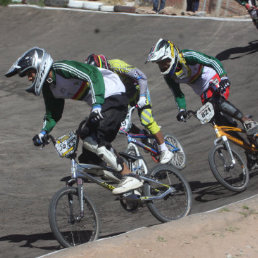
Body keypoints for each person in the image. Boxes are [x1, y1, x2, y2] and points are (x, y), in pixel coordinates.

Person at [5, 46, 143, 195]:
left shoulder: (61, 68)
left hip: (114, 95)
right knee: (87, 152)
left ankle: (129, 175)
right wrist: (43, 132)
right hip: (102, 104)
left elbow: (93, 73)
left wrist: (96, 106)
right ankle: (125, 184)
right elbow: (53, 114)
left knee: (96, 140)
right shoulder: (50, 88)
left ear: (40, 65)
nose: (30, 78)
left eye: (30, 73)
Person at [145, 38, 258, 137]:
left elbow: (212, 61)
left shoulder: (188, 56)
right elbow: (178, 94)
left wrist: (223, 77)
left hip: (213, 79)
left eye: (163, 62)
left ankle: (246, 121)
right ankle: (248, 151)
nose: (162, 66)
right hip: (202, 92)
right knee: (219, 123)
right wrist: (182, 110)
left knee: (218, 101)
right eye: (158, 64)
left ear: (171, 55)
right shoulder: (168, 76)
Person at [85, 54, 174, 164]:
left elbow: (142, 77)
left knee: (146, 119)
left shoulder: (116, 65)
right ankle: (142, 134)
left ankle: (165, 149)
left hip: (138, 91)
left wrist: (142, 97)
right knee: (122, 126)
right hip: (124, 98)